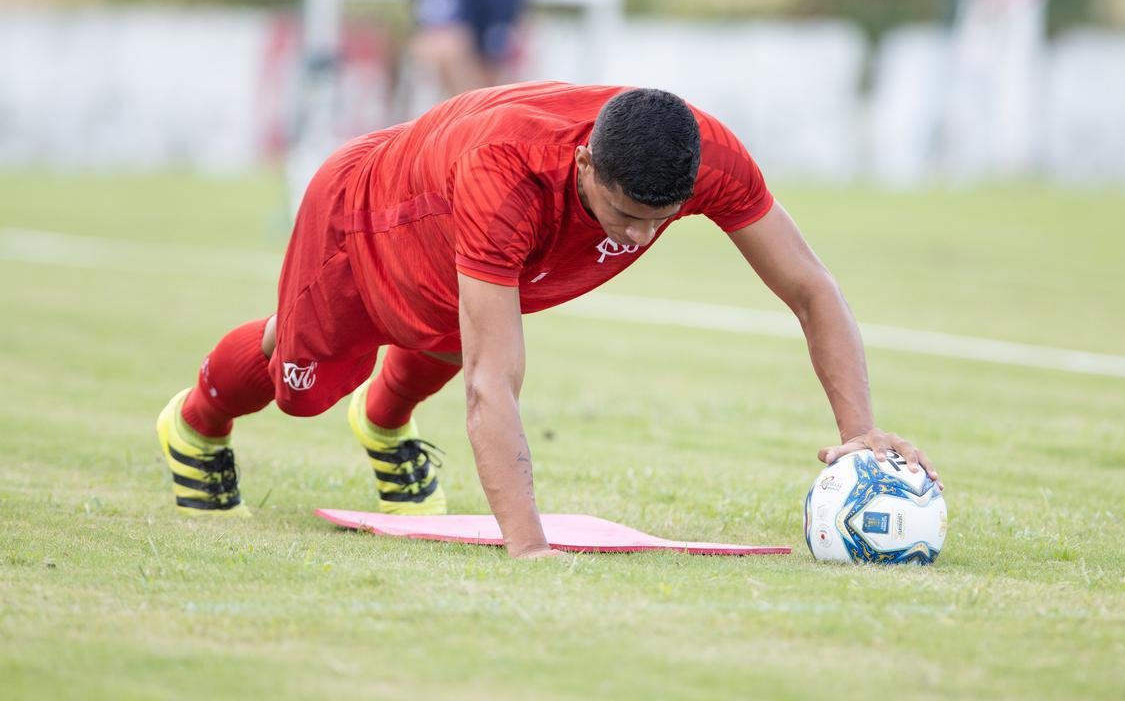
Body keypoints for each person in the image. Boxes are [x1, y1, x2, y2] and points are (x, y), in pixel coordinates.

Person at [156, 81, 941, 559]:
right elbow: (492, 384)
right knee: (305, 386)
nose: (637, 236)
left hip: (479, 246)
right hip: (370, 217)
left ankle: (386, 424)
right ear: (586, 164)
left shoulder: (703, 154)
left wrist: (861, 428)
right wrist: (528, 548)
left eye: (660, 220)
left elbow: (809, 286)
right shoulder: (509, 173)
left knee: (458, 331)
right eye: (627, 215)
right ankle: (196, 422)